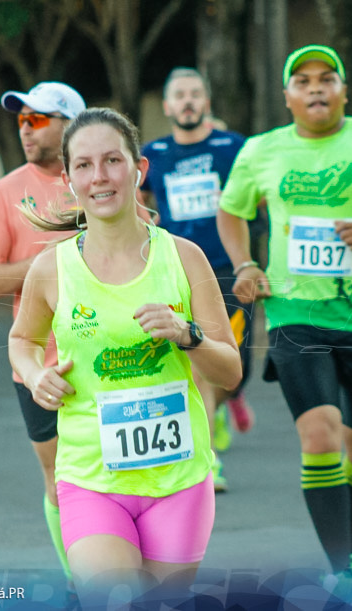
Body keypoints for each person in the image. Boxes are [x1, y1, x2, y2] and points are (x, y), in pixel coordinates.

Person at [217, 44, 352, 587]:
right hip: (296, 314)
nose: (316, 87)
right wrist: (245, 263)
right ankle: (343, 571)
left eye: (327, 79)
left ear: (344, 91)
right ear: (287, 97)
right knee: (320, 436)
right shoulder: (262, 150)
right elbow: (231, 210)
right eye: (303, 80)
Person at [8, 107, 241, 604]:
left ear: (139, 168)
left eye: (113, 160)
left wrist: (188, 335)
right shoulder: (52, 267)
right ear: (69, 179)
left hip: (178, 478)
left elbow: (230, 367)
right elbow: (22, 340)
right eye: (86, 166)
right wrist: (33, 375)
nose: (101, 177)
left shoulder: (184, 257)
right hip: (92, 479)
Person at [0, 81, 86, 582]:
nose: (25, 128)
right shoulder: (5, 192)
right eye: (21, 120)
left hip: (112, 353)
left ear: (70, 125)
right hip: (40, 361)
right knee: (60, 478)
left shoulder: (101, 182)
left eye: (37, 119)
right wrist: (45, 263)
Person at [140, 66, 255, 492]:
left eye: (195, 94)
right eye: (179, 95)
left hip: (226, 268)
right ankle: (210, 460)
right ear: (168, 106)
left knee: (235, 361)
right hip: (177, 270)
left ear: (206, 102)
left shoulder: (232, 146)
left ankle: (224, 404)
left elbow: (255, 197)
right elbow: (139, 197)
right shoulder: (155, 153)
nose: (187, 102)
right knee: (197, 362)